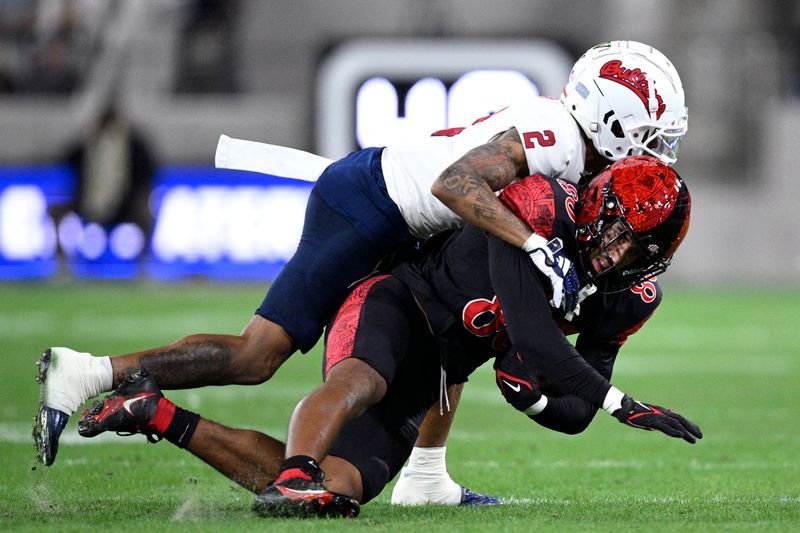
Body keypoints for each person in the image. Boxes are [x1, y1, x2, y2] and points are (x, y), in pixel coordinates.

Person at [35, 39, 688, 505]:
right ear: (610, 120)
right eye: (654, 135)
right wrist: (532, 244)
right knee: (259, 354)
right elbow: (458, 182)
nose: (660, 151)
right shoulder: (561, 142)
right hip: (371, 206)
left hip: (407, 218)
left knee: (459, 323)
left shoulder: (569, 150)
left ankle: (425, 473)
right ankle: (91, 370)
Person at [75, 155, 701, 518]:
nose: (613, 254)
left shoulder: (630, 298)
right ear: (594, 206)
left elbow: (572, 414)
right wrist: (621, 404)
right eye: (614, 233)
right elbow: (536, 334)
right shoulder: (539, 206)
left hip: (436, 368)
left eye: (633, 250)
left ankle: (154, 412)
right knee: (359, 380)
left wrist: (534, 398)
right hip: (397, 303)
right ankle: (294, 472)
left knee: (342, 490)